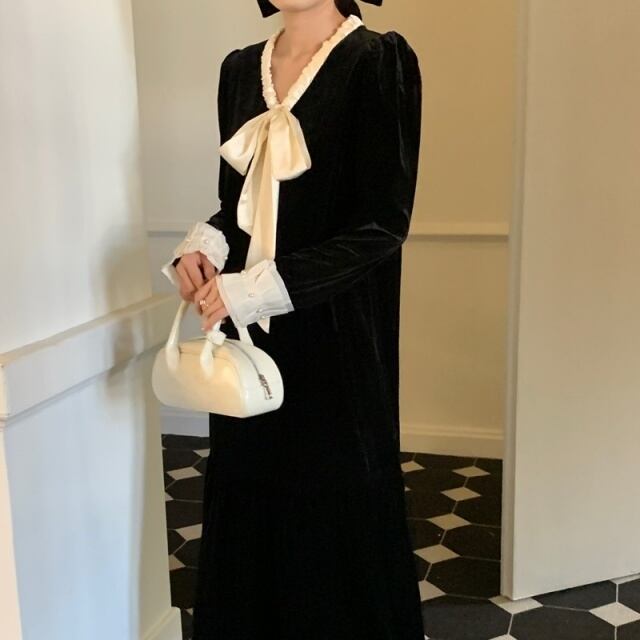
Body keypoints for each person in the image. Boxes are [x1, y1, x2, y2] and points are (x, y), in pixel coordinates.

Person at [161, 0, 423, 637]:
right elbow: (235, 204)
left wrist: (258, 290)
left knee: (337, 497)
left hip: (338, 332)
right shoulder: (239, 70)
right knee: (249, 487)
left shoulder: (377, 61)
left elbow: (382, 225)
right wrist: (203, 250)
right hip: (248, 335)